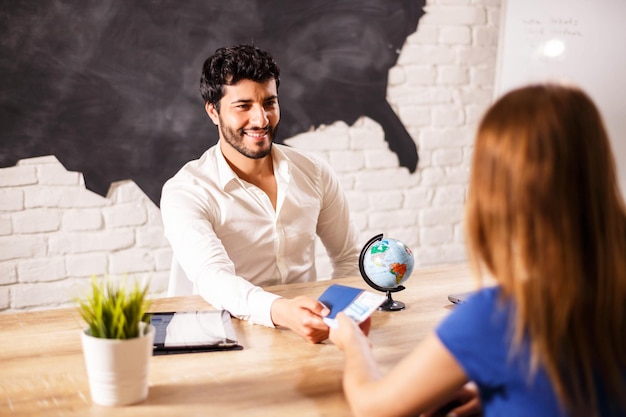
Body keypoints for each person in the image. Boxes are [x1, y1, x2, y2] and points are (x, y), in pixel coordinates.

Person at [329, 83, 626, 417]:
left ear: (496, 192)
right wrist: (492, 391)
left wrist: (354, 345)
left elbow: (373, 407)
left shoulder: (499, 318)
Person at [160, 44, 361, 344]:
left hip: (307, 335)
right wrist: (281, 311)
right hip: (221, 340)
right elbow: (213, 278)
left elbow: (347, 258)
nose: (261, 120)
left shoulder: (315, 172)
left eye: (269, 103)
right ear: (213, 111)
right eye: (243, 106)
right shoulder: (186, 191)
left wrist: (341, 315)